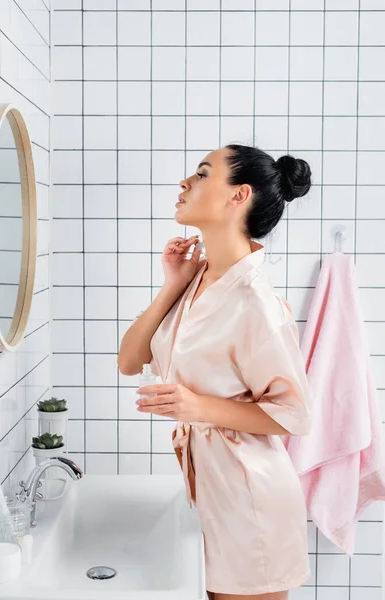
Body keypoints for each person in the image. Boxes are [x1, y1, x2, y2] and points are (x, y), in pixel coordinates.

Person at [118, 144, 313, 600]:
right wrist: (172, 284)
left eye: (203, 174)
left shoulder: (257, 304)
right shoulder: (198, 279)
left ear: (238, 195)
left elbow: (296, 416)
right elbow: (129, 361)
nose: (185, 183)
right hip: (209, 492)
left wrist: (196, 406)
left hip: (251, 505)